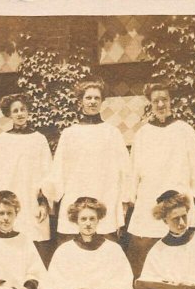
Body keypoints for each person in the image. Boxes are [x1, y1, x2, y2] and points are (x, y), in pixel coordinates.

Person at [124, 81, 195, 278]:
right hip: (149, 198)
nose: (160, 105)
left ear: (171, 101)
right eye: (156, 101)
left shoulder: (185, 130)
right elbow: (133, 169)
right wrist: (130, 198)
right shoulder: (143, 133)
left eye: (164, 100)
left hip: (178, 196)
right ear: (150, 104)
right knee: (146, 240)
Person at [42, 79, 130, 249]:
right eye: (88, 98)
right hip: (76, 195)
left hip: (105, 196)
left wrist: (124, 201)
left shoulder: (112, 133)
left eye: (97, 98)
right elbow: (58, 170)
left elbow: (124, 170)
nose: (92, 102)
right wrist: (49, 195)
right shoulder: (69, 133)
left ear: (102, 101)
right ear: (81, 101)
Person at [27, 197, 134, 289]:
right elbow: (54, 283)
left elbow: (123, 282)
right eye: (83, 219)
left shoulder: (113, 248)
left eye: (92, 219)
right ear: (76, 221)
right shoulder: (64, 249)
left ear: (98, 220)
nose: (88, 223)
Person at [0, 94, 54, 266]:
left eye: (23, 109)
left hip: (30, 199)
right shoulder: (0, 141)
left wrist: (43, 204)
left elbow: (47, 173)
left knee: (34, 235)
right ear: (9, 115)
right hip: (7, 200)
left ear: (28, 112)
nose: (20, 114)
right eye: (15, 111)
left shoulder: (39, 139)